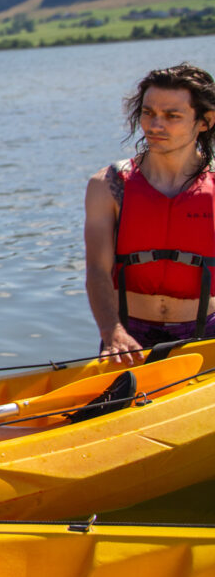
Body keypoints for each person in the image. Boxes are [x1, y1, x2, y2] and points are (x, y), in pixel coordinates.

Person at [84, 63, 215, 364]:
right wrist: (111, 331)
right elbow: (97, 270)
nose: (155, 125)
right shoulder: (108, 185)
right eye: (148, 113)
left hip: (206, 334)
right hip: (128, 337)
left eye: (172, 116)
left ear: (205, 121)